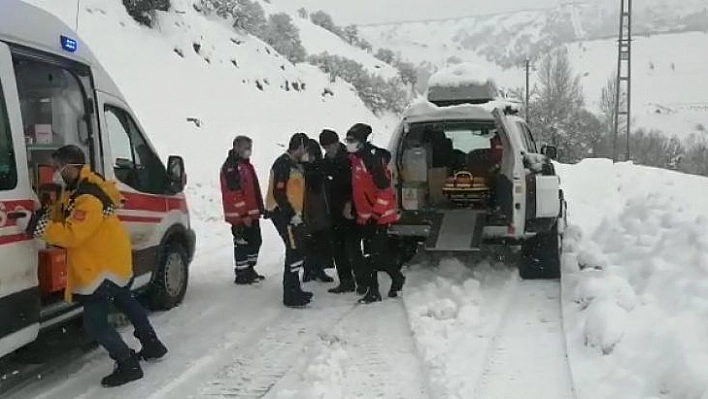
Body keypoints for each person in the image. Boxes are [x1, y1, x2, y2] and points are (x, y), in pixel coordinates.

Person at [23, 145, 167, 388]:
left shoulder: (88, 197)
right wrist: (47, 213)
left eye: (58, 168)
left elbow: (73, 235)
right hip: (111, 260)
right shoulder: (79, 188)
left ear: (71, 167)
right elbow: (66, 213)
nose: (55, 173)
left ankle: (127, 364)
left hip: (100, 268)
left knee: (96, 324)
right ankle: (152, 345)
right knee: (127, 301)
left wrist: (39, 228)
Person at [345, 123, 406, 303]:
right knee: (372, 254)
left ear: (362, 142)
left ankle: (385, 284)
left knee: (375, 255)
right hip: (365, 216)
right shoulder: (355, 159)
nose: (348, 144)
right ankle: (384, 285)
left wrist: (375, 216)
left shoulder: (372, 162)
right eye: (347, 140)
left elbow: (385, 192)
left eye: (351, 140)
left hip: (379, 217)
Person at [265, 133, 313, 307]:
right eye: (304, 149)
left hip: (292, 214)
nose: (305, 153)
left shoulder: (294, 165)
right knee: (295, 250)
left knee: (297, 250)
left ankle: (294, 289)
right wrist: (292, 214)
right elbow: (279, 193)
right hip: (283, 214)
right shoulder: (283, 165)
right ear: (299, 147)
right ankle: (291, 294)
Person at [319, 129, 365, 294]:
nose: (328, 150)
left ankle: (362, 281)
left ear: (337, 143)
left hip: (350, 209)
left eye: (330, 146)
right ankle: (346, 281)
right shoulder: (326, 160)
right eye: (325, 147)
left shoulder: (349, 158)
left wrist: (349, 203)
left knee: (352, 247)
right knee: (338, 248)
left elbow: (356, 184)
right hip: (333, 209)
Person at [220, 135, 265, 285]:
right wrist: (243, 214)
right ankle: (242, 273)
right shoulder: (231, 167)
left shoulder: (245, 165)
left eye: (249, 148)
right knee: (242, 243)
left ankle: (249, 269)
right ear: (236, 147)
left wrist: (259, 209)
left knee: (255, 241)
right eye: (245, 148)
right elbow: (235, 194)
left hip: (251, 214)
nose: (248, 151)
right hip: (240, 216)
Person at [301, 139, 335, 283]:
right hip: (307, 209)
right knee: (308, 241)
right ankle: (309, 269)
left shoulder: (321, 168)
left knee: (321, 241)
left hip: (320, 208)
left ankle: (318, 268)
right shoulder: (301, 169)